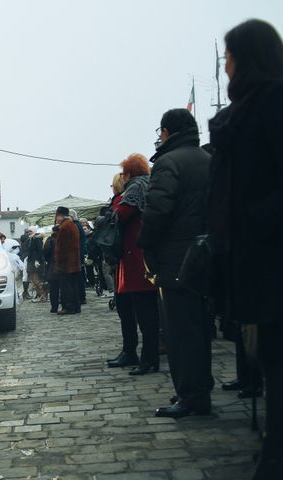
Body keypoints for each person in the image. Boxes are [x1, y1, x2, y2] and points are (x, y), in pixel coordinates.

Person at [208, 19, 283, 479]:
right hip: (254, 257)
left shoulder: (274, 102)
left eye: (229, 56)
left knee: (277, 354)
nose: (226, 66)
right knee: (270, 355)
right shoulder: (246, 109)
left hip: (272, 254)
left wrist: (254, 218)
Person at [137, 108, 212, 418]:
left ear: (166, 132)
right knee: (200, 329)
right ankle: (199, 390)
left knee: (180, 331)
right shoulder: (207, 160)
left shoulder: (169, 163)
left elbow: (157, 212)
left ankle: (190, 396)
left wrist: (146, 245)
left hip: (176, 259)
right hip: (205, 256)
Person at [107, 154, 160, 375]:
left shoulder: (136, 188)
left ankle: (149, 358)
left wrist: (109, 216)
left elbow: (121, 216)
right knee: (145, 311)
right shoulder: (147, 185)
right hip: (142, 256)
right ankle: (145, 356)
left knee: (144, 312)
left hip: (137, 258)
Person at [54, 206, 81, 315]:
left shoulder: (64, 227)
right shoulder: (72, 225)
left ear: (60, 216)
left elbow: (61, 247)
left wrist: (59, 262)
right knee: (74, 285)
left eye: (57, 217)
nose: (56, 220)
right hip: (74, 261)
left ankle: (68, 307)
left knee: (66, 286)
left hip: (66, 263)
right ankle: (76, 306)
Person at [25, 226, 46, 302]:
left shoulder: (37, 238)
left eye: (30, 231)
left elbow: (40, 250)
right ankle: (40, 295)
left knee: (36, 280)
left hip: (35, 262)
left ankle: (43, 296)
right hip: (31, 261)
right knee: (33, 280)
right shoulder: (31, 238)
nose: (29, 232)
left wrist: (37, 260)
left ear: (34, 231)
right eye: (28, 231)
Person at [44, 225, 60, 313]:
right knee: (65, 287)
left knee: (54, 288)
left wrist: (48, 259)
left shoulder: (50, 239)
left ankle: (54, 307)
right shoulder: (63, 239)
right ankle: (66, 305)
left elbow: (46, 251)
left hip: (53, 266)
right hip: (64, 266)